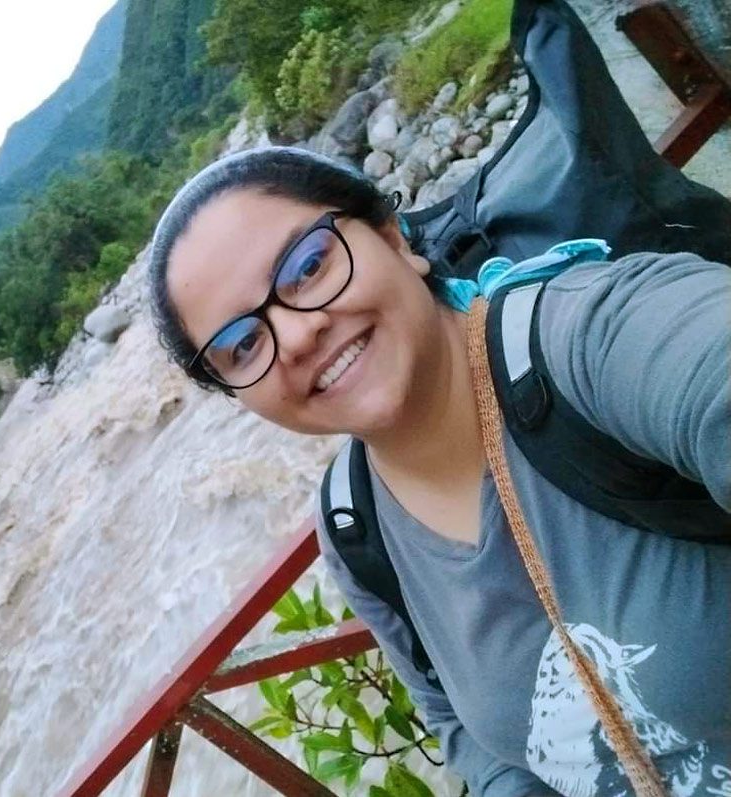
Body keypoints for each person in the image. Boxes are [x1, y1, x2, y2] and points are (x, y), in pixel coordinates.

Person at [148, 145, 731, 797]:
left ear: (393, 238)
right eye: (243, 344)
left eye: (308, 266)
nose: (298, 334)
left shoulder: (592, 339)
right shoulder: (352, 521)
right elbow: (468, 733)